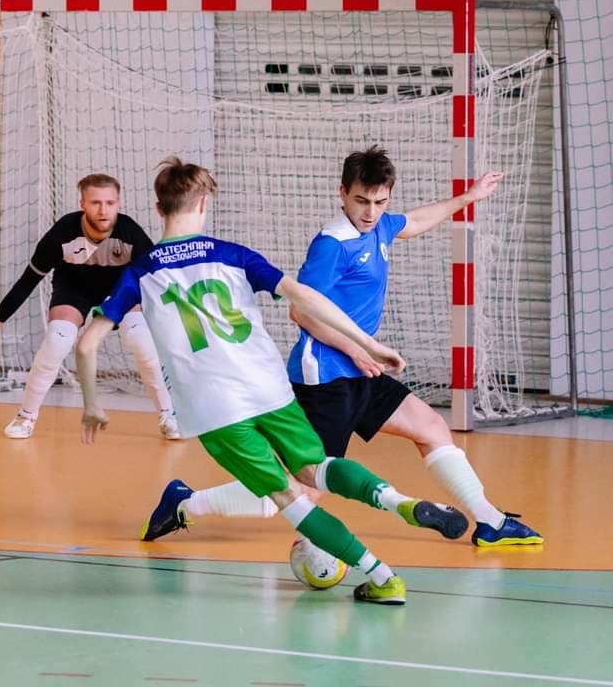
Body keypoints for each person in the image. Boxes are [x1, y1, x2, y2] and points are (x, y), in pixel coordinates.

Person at [78, 156, 470, 605]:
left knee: (290, 498)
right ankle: (398, 501)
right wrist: (369, 343)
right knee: (317, 469)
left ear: (157, 207)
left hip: (216, 408)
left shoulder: (140, 272)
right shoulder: (234, 254)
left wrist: (92, 405)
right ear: (203, 203)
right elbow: (305, 297)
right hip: (270, 389)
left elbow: (87, 345)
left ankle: (383, 577)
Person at [148, 146, 541, 548]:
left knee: (432, 428)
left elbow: (415, 221)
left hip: (363, 370)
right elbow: (301, 313)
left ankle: (490, 521)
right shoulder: (332, 245)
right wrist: (356, 349)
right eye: (361, 201)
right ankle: (185, 503)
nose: (370, 212)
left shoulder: (381, 227)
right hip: (326, 378)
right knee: (298, 490)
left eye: (380, 202)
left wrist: (467, 198)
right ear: (343, 193)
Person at [0, 173, 179, 440]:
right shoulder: (61, 235)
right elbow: (27, 282)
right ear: (83, 204)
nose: (103, 210)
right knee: (57, 340)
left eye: (110, 203)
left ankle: (168, 415)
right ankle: (26, 416)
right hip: (74, 289)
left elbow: (156, 282)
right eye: (96, 203)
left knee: (140, 340)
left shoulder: (131, 234)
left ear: (118, 204)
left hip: (117, 292)